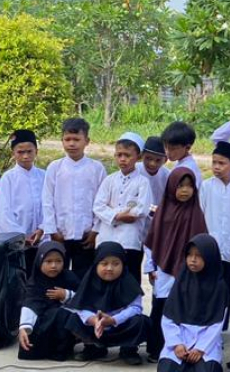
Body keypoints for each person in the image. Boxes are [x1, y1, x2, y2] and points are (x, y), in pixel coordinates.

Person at [144, 167, 209, 361]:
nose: (185, 190)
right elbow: (151, 241)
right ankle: (156, 349)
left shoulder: (196, 213)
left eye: (189, 186)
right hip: (163, 269)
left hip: (189, 269)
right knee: (162, 307)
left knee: (185, 308)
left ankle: (184, 348)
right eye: (180, 186)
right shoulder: (163, 212)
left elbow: (203, 243)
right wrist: (150, 267)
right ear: (172, 187)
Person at [157, 234, 229, 372]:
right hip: (181, 335)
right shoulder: (181, 281)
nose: (192, 260)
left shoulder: (219, 286)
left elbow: (217, 322)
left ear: (209, 258)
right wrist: (176, 344)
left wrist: (200, 349)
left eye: (198, 256)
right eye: (189, 255)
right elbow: (169, 316)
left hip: (205, 340)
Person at [41, 117, 106, 277]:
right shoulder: (55, 168)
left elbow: (102, 201)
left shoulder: (96, 168)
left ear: (87, 141)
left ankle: (81, 302)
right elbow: (47, 200)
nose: (71, 144)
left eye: (76, 139)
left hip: (86, 235)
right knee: (58, 273)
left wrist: (95, 230)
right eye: (67, 139)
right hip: (60, 234)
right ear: (61, 141)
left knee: (84, 275)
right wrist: (52, 230)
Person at [65, 241, 149, 364]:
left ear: (123, 264)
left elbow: (135, 308)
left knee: (141, 321)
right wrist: (93, 320)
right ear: (96, 264)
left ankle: (128, 350)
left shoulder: (129, 282)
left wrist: (114, 320)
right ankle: (92, 348)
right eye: (104, 264)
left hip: (120, 326)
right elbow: (80, 307)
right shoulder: (89, 281)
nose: (109, 268)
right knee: (73, 318)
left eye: (116, 264)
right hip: (95, 326)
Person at [93, 132, 154, 278]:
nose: (122, 159)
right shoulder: (109, 180)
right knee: (105, 277)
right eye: (119, 155)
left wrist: (117, 212)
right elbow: (98, 206)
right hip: (107, 237)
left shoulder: (142, 182)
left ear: (138, 157)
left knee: (129, 277)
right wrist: (118, 215)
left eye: (127, 155)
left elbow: (141, 209)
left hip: (130, 239)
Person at [200, 140, 230, 327]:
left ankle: (220, 327)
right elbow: (200, 214)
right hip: (210, 250)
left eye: (222, 163)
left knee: (225, 290)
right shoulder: (206, 186)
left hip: (229, 251)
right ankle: (204, 325)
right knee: (207, 290)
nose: (216, 167)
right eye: (214, 163)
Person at [18, 240, 79, 362]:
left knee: (62, 314)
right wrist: (23, 328)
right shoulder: (35, 282)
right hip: (41, 324)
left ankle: (62, 350)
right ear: (39, 262)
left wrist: (66, 295)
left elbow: (83, 298)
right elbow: (30, 304)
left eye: (58, 261)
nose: (53, 266)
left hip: (62, 324)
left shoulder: (69, 277)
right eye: (48, 261)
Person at [0, 129, 46, 246]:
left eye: (29, 151)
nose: (25, 156)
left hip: (42, 238)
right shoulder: (8, 179)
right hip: (16, 241)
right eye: (20, 152)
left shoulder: (44, 176)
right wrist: (20, 236)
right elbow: (3, 212)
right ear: (13, 153)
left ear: (36, 151)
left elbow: (51, 206)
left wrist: (43, 228)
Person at [161, 121, 202, 187]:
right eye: (166, 147)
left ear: (187, 147)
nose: (168, 152)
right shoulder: (181, 163)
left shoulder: (188, 169)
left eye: (173, 149)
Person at [140, 136, 170, 209]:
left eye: (158, 160)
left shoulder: (168, 176)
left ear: (165, 160)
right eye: (148, 158)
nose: (152, 163)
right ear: (142, 155)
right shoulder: (134, 170)